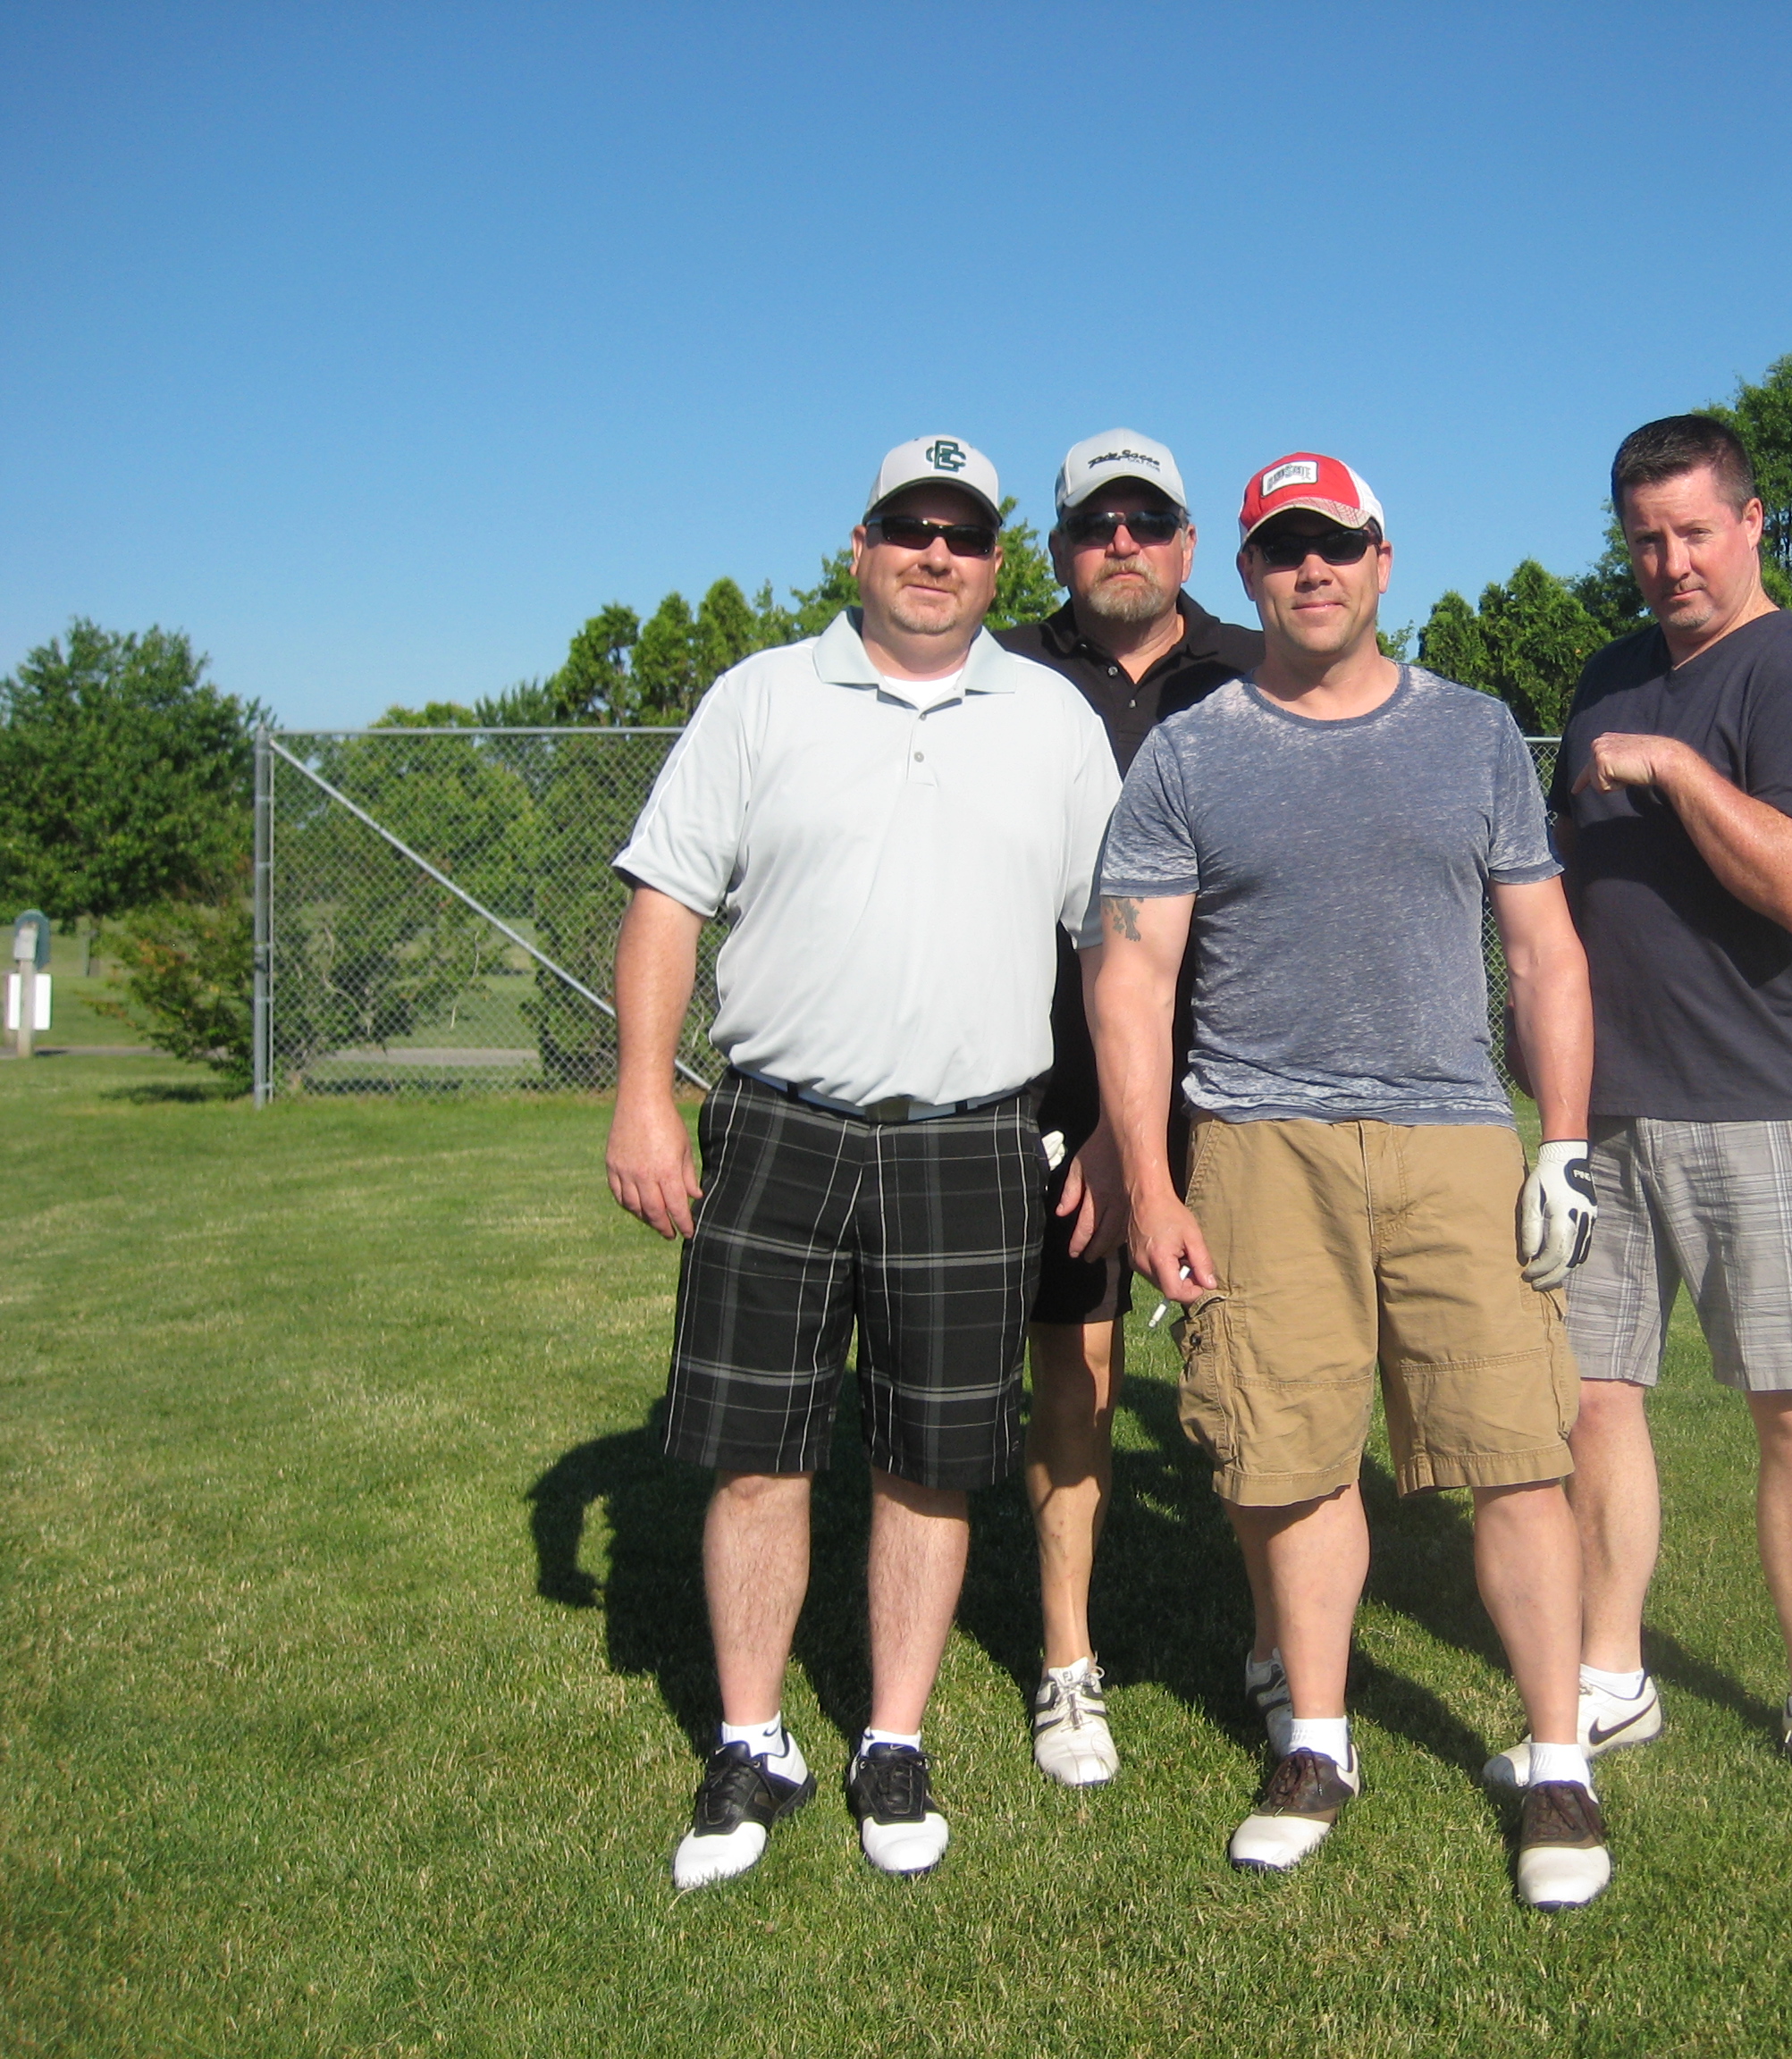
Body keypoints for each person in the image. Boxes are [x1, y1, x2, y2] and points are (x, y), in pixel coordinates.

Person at [1090, 451, 1615, 1912]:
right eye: (1282, 549)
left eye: (1337, 544)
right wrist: (1153, 1182)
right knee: (1289, 1456)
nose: (1311, 570)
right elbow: (1130, 977)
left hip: (1454, 1140)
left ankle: (1557, 1760)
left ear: (1384, 561)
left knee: (1518, 1453)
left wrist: (1565, 1145)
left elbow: (1545, 953)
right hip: (1259, 1147)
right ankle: (1314, 1745)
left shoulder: (1475, 734)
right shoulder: (1191, 752)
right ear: (1246, 576)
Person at [603, 435, 1123, 1889]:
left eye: (964, 535)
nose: (935, 555)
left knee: (932, 1461)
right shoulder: (760, 697)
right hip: (779, 1127)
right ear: (861, 546)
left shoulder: (1053, 720)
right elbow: (664, 903)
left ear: (998, 563)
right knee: (759, 1455)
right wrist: (643, 1097)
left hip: (974, 1142)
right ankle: (751, 1739)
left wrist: (1120, 1133)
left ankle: (893, 1739)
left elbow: (1119, 942)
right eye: (910, 528)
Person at [1493, 411, 1792, 1826]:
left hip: (1760, 1108)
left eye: (1694, 533)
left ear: (1752, 523)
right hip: (1603, 1113)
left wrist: (1672, 767)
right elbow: (1558, 898)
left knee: (1790, 1406)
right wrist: (1547, 1084)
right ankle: (1612, 1676)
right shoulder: (1606, 677)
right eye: (1645, 539)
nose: (1670, 563)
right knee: (1597, 1398)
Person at [994, 430, 1263, 1787]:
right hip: (1051, 1072)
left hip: (1245, 1074)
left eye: (1147, 521)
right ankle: (1068, 1663)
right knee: (1080, 1366)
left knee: (1262, 1365)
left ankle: (1283, 1644)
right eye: (1097, 523)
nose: (1122, 543)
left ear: (1187, 543)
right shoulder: (1003, 673)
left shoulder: (1256, 670)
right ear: (1057, 547)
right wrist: (1109, 1115)